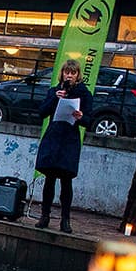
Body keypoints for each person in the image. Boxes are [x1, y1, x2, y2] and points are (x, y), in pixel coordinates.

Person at [32, 58, 95, 234]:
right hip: (54, 137)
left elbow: (89, 120)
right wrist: (55, 99)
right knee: (49, 178)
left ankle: (65, 219)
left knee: (66, 181)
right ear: (62, 74)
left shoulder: (84, 94)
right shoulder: (54, 91)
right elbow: (42, 112)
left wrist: (81, 117)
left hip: (69, 140)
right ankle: (45, 215)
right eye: (67, 72)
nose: (69, 76)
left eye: (73, 73)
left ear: (77, 75)